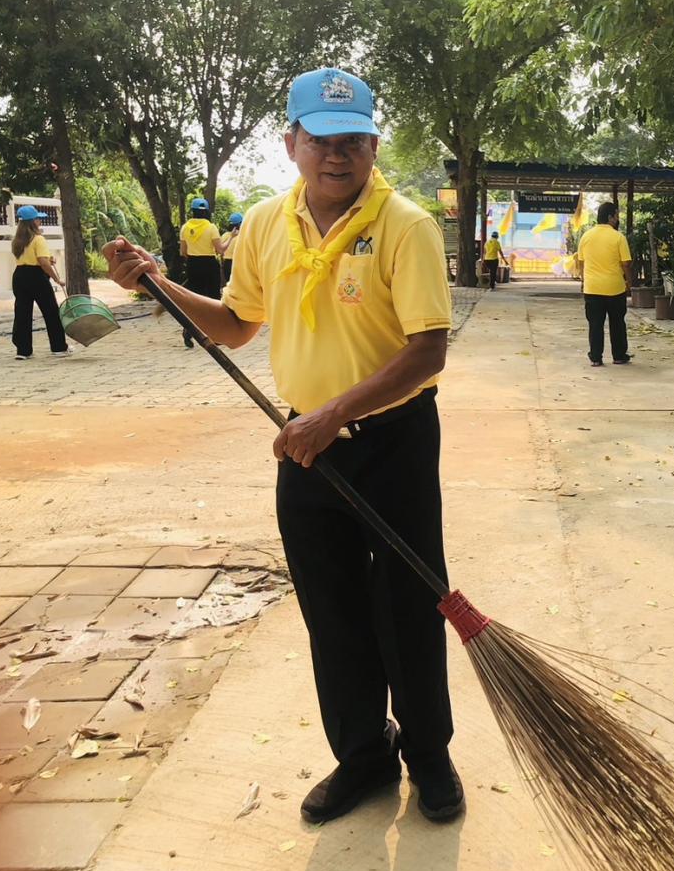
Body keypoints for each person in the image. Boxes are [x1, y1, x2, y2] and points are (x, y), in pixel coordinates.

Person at [103, 67, 462, 826]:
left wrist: (334, 414)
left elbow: (428, 350)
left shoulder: (405, 225)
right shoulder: (266, 223)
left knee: (408, 604)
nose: (341, 156)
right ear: (292, 141)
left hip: (391, 438)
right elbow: (235, 324)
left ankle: (428, 754)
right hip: (305, 446)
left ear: (373, 145)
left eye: (356, 141)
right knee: (331, 610)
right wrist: (158, 285)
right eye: (324, 141)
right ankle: (363, 754)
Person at [10, 206, 69, 360]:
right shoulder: (38, 239)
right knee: (50, 311)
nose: (40, 220)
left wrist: (48, 259)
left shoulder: (17, 241)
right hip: (36, 276)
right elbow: (42, 262)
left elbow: (35, 257)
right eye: (38, 218)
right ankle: (59, 347)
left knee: (22, 313)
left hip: (19, 276)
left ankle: (23, 350)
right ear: (32, 222)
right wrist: (57, 279)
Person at [577, 201, 632, 367]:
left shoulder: (586, 236)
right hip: (615, 288)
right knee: (617, 323)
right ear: (610, 217)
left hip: (592, 288)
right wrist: (628, 281)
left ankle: (596, 357)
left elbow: (581, 262)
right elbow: (626, 264)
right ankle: (619, 355)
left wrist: (583, 281)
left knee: (595, 324)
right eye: (616, 214)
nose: (617, 218)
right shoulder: (618, 237)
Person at [178, 198, 222, 348]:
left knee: (194, 301)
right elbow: (219, 249)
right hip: (209, 264)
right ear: (207, 212)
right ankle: (216, 336)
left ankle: (188, 331)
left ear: (193, 211)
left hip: (193, 265)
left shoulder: (185, 228)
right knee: (214, 300)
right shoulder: (211, 228)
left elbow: (183, 252)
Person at [217, 212, 243, 287]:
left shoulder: (224, 235)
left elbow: (220, 251)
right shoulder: (243, 235)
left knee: (230, 286)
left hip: (227, 264)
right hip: (239, 263)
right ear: (240, 224)